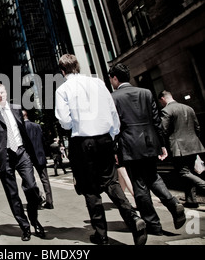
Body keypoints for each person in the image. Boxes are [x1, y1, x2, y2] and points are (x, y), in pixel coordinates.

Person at [55, 54, 147, 245]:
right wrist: (111, 136)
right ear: (78, 66)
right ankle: (133, 218)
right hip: (105, 138)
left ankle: (101, 235)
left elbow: (64, 121)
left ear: (62, 71)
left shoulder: (63, 89)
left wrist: (77, 124)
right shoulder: (97, 83)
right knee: (111, 182)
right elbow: (113, 112)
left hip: (82, 141)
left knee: (90, 189)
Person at [109, 63, 186, 236]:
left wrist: (114, 149)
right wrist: (162, 144)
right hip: (149, 142)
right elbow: (156, 120)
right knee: (153, 177)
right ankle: (173, 204)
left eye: (111, 79)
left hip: (129, 145)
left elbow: (113, 126)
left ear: (115, 78)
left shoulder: (113, 98)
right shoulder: (146, 93)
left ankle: (153, 224)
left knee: (139, 185)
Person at [0, 83, 45, 241]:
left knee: (31, 187)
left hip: (21, 152)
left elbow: (23, 130)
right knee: (12, 195)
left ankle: (34, 219)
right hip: (4, 157)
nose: (1, 96)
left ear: (6, 92)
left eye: (2, 92)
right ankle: (25, 227)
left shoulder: (16, 108)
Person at [158, 90, 205, 208]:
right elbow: (197, 127)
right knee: (189, 171)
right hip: (193, 145)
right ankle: (191, 200)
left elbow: (163, 130)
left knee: (183, 172)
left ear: (162, 99)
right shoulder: (188, 108)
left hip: (179, 147)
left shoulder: (166, 110)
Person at [22, 110, 54, 209]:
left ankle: (37, 199)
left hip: (28, 157)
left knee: (29, 180)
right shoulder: (37, 126)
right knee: (45, 179)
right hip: (40, 155)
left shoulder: (21, 128)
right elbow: (43, 140)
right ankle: (50, 201)